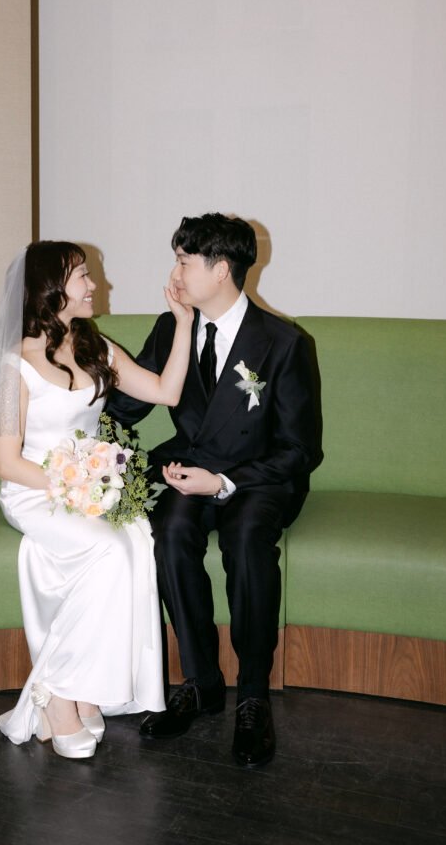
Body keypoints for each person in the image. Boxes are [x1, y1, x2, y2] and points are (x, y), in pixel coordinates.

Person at [0, 240, 193, 760]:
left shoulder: (94, 347)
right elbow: (5, 463)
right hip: (33, 490)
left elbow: (166, 391)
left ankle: (83, 691)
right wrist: (76, 486)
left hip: (87, 489)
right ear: (50, 289)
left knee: (134, 543)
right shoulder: (14, 363)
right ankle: (59, 695)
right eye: (82, 275)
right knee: (109, 550)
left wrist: (183, 322)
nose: (93, 284)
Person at [107, 213, 316, 767]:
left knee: (247, 544)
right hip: (189, 466)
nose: (173, 271)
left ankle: (252, 696)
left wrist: (225, 481)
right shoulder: (173, 324)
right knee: (169, 530)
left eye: (183, 261)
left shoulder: (284, 343)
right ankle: (200, 683)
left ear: (220, 270)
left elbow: (300, 450)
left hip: (260, 477)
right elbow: (125, 406)